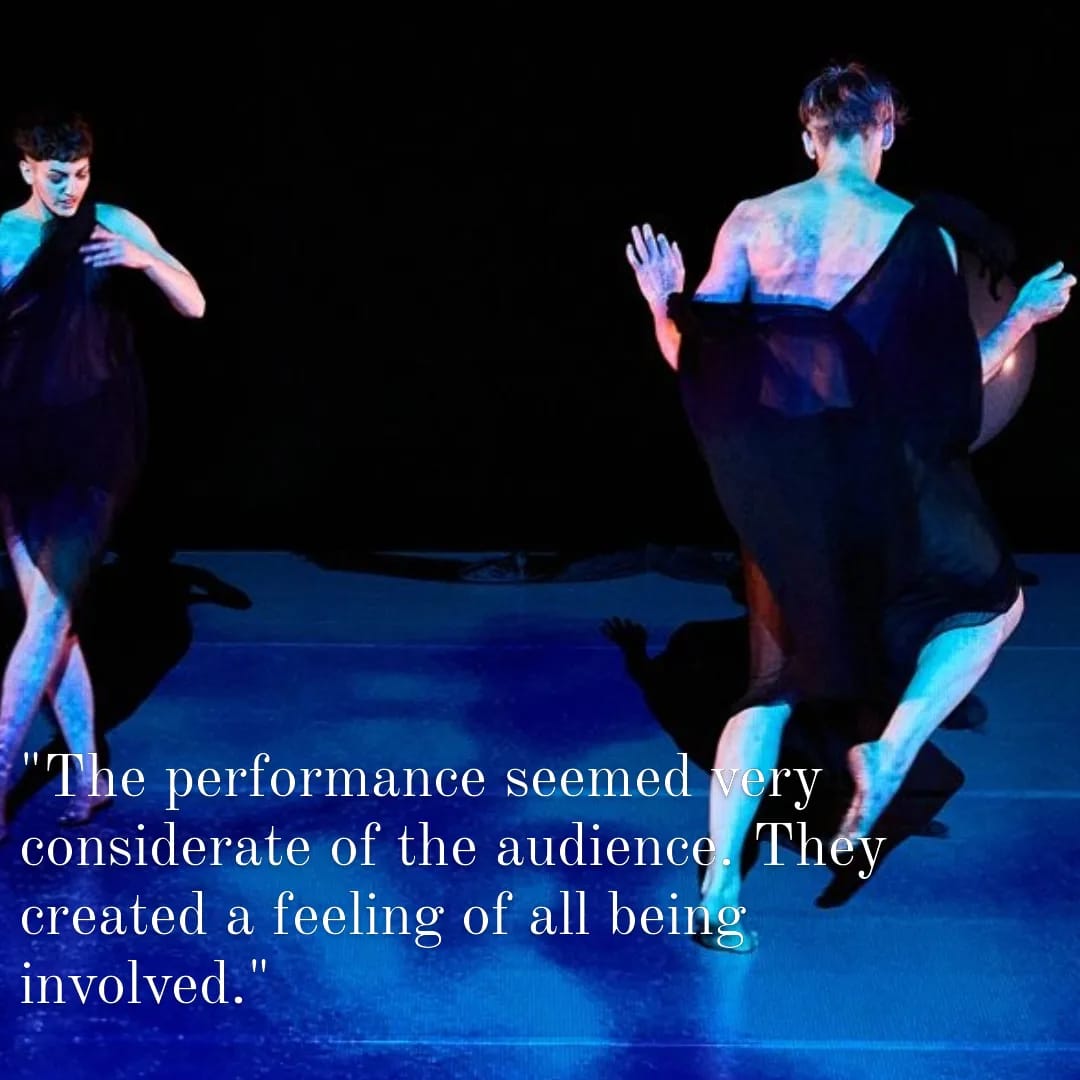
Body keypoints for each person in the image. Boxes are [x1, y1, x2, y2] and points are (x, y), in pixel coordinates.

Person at [626, 63, 1073, 950]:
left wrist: (654, 301)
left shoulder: (752, 221)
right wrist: (1021, 317)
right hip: (873, 484)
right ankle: (898, 741)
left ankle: (718, 889)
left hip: (779, 490)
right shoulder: (920, 240)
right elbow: (955, 393)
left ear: (806, 137)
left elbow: (694, 364)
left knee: (770, 680)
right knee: (993, 601)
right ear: (887, 132)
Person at [0, 109, 205, 840]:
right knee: (50, 624)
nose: (72, 188)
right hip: (19, 446)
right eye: (58, 176)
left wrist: (145, 261)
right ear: (26, 167)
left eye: (82, 173)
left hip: (97, 445)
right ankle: (88, 776)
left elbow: (195, 304)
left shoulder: (112, 222)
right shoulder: (2, 236)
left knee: (50, 612)